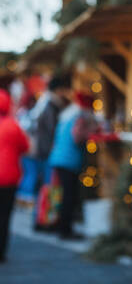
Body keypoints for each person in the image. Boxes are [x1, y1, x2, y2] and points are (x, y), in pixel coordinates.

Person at [49, 91, 98, 239]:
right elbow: (77, 137)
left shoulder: (67, 115)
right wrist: (90, 134)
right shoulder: (79, 117)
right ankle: (65, 230)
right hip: (68, 160)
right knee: (69, 196)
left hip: (59, 158)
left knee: (64, 194)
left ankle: (60, 226)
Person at [30, 76, 70, 230]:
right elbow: (53, 131)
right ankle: (46, 220)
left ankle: (41, 219)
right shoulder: (51, 105)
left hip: (41, 151)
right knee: (49, 187)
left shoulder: (44, 103)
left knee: (43, 187)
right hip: (48, 153)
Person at [0, 90, 30, 263]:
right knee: (4, 216)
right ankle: (1, 251)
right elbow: (25, 147)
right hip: (9, 178)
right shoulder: (13, 125)